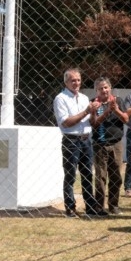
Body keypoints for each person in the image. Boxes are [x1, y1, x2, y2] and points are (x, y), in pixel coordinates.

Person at [53, 68, 102, 217]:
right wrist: (87, 111)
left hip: (86, 139)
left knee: (87, 174)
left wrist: (93, 113)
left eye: (78, 80)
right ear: (66, 82)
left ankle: (90, 207)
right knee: (70, 175)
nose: (76, 83)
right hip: (71, 140)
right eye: (73, 80)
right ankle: (70, 207)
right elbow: (66, 122)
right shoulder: (60, 98)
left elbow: (93, 123)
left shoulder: (85, 98)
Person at [90, 77, 128, 215]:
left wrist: (115, 109)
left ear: (110, 88)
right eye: (100, 88)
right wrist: (106, 112)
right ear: (96, 90)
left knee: (116, 176)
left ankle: (114, 205)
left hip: (116, 143)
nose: (104, 90)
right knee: (101, 177)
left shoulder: (118, 101)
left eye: (106, 87)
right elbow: (93, 123)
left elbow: (125, 119)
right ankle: (99, 207)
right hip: (99, 145)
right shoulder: (94, 103)